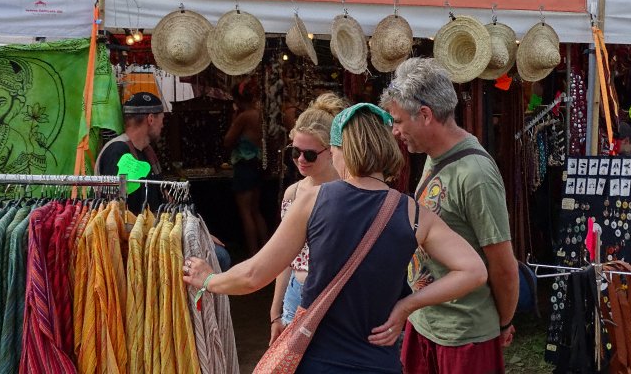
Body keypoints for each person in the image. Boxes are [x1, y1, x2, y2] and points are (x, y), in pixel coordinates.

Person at [184, 102, 487, 374]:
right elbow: (474, 271)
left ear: (342, 150)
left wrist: (209, 279)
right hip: (379, 362)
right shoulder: (414, 213)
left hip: (317, 361)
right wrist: (407, 305)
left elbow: (253, 276)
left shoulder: (312, 200)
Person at [380, 57, 519, 374]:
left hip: (463, 337)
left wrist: (503, 323)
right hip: (426, 323)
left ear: (425, 115)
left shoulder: (476, 175)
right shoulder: (435, 156)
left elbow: (504, 266)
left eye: (399, 121)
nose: (396, 131)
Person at [96, 91, 232, 270]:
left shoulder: (145, 152)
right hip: (137, 242)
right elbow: (118, 212)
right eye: (161, 118)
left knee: (217, 255)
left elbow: (161, 200)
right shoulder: (118, 152)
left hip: (156, 234)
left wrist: (197, 233)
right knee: (219, 258)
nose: (162, 124)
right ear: (151, 119)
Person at [269, 92, 348, 345]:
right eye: (295, 152)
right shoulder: (293, 193)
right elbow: (284, 257)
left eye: (310, 154)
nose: (301, 160)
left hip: (337, 296)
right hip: (296, 294)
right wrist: (275, 311)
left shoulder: (351, 191)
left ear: (331, 150)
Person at [224, 81, 268, 257]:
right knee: (256, 210)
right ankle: (265, 250)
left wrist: (234, 118)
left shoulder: (244, 117)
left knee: (246, 213)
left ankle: (253, 253)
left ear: (238, 99)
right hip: (256, 165)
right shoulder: (260, 114)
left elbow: (228, 140)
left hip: (244, 167)